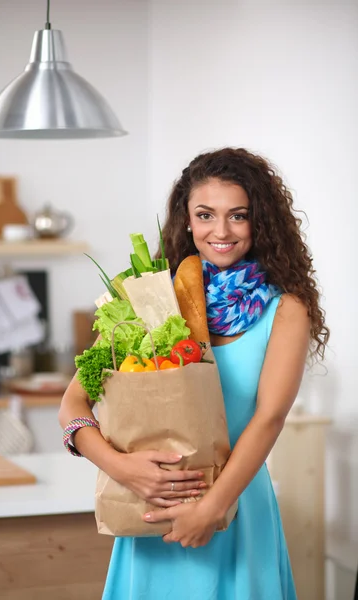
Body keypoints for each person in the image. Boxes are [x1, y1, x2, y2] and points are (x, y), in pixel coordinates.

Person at [59, 147, 329, 600]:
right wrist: (121, 468)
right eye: (205, 214)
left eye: (238, 216)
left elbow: (269, 418)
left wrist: (212, 507)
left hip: (235, 509)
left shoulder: (286, 307)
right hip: (148, 511)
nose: (220, 231)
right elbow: (73, 402)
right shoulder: (151, 296)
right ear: (186, 219)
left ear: (259, 222)